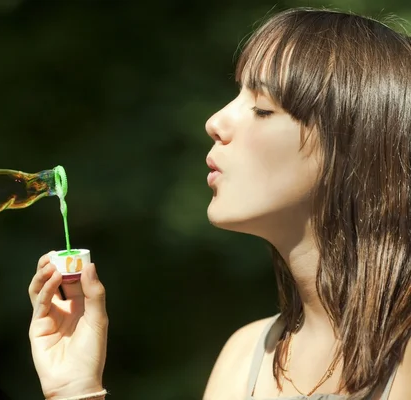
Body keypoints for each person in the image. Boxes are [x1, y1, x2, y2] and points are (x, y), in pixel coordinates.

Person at [27, 6, 411, 400]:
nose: (215, 121)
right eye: (237, 94)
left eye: (262, 108)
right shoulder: (245, 357)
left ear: (354, 150)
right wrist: (75, 389)